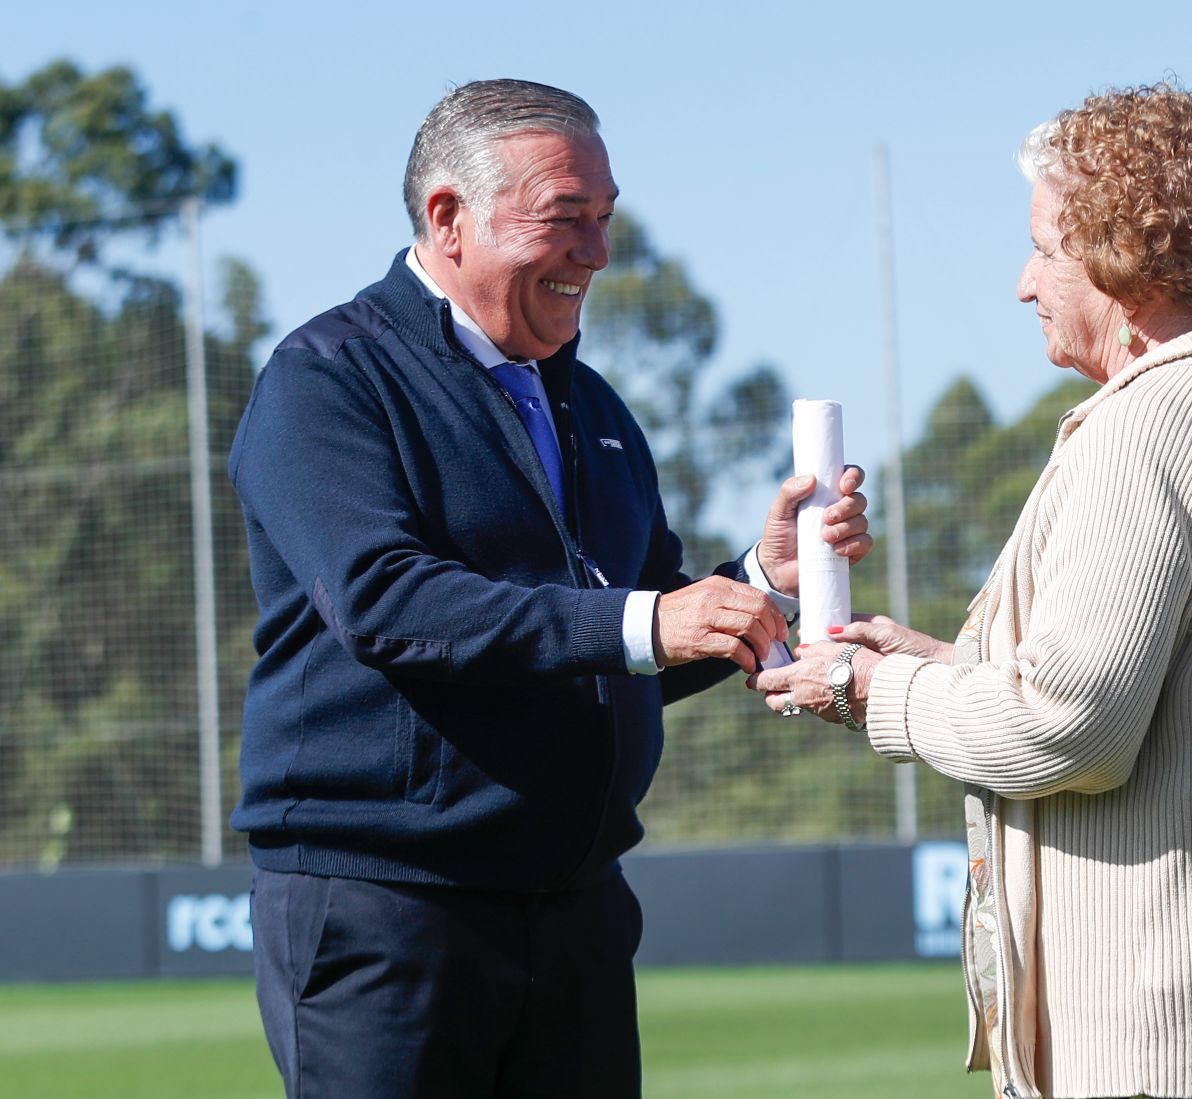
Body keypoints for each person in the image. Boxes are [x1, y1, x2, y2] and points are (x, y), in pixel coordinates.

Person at [755, 82, 1192, 1099]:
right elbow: (1179, 686)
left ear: (1118, 253)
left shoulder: (1148, 425)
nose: (1024, 282)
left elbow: (1069, 728)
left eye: (1046, 247)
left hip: (1161, 1036)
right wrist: (931, 666)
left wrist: (865, 690)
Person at [228, 79, 869, 1099]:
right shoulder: (329, 379)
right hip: (388, 910)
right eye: (565, 220)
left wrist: (761, 585)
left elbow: (618, 645)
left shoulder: (595, 403)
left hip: (576, 908)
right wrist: (649, 619)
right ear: (448, 218)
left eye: (605, 220)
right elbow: (387, 601)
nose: (598, 253)